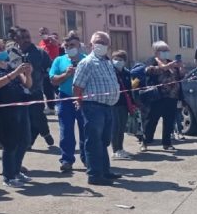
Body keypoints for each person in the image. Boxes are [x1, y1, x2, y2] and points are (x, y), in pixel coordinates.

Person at [0, 35, 34, 187]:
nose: (2, 50)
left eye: (3, 47)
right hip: (4, 110)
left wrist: (28, 73)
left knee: (24, 141)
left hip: (21, 106)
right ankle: (8, 176)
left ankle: (17, 171)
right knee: (10, 143)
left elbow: (27, 85)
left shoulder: (9, 65)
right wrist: (15, 73)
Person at [72, 31, 121, 186]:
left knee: (104, 140)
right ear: (91, 44)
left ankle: (105, 171)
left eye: (105, 43)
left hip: (108, 107)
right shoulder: (86, 62)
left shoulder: (107, 63)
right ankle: (94, 174)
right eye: (99, 42)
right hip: (93, 106)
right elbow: (77, 86)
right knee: (94, 141)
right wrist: (80, 102)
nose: (102, 45)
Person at [13, 27, 56, 149]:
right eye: (22, 37)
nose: (26, 40)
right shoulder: (11, 52)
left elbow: (50, 68)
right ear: (15, 38)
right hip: (16, 93)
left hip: (35, 91)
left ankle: (44, 133)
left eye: (28, 37)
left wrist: (45, 77)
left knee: (37, 116)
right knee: (22, 119)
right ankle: (31, 139)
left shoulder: (40, 52)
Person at [49, 34, 86, 172]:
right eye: (67, 46)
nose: (70, 48)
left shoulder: (86, 60)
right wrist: (66, 74)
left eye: (73, 45)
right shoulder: (59, 60)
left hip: (83, 98)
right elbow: (53, 80)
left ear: (79, 46)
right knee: (66, 130)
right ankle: (67, 160)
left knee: (85, 129)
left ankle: (87, 159)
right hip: (64, 98)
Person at [142, 41, 183, 152]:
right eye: (163, 50)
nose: (166, 53)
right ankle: (145, 141)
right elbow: (148, 71)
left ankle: (167, 143)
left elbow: (179, 76)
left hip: (172, 96)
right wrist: (165, 67)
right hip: (158, 97)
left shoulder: (171, 62)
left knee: (169, 121)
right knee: (151, 120)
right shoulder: (152, 61)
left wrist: (180, 68)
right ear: (157, 52)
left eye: (167, 50)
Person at [110, 50, 136, 160]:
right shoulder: (110, 72)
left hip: (124, 104)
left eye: (120, 60)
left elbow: (130, 89)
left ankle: (120, 148)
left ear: (124, 61)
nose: (117, 61)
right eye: (115, 59)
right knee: (115, 127)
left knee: (121, 128)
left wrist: (133, 103)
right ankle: (115, 150)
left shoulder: (127, 73)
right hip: (113, 103)